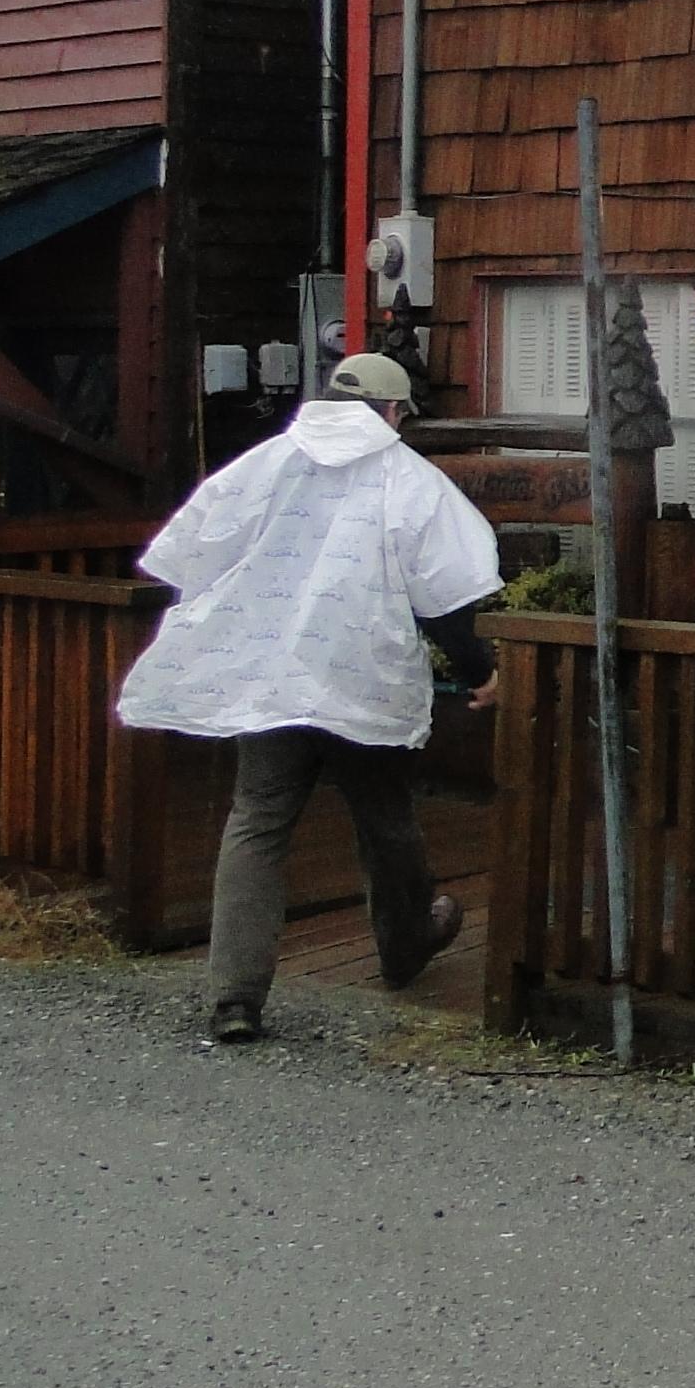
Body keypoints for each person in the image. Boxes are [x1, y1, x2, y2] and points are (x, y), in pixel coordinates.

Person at [116, 351, 505, 1044]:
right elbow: (446, 598)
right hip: (362, 674)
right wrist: (481, 672)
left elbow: (193, 559)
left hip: (271, 677)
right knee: (384, 819)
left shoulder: (261, 466)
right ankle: (406, 942)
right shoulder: (408, 480)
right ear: (393, 412)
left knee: (257, 821)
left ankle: (235, 996)